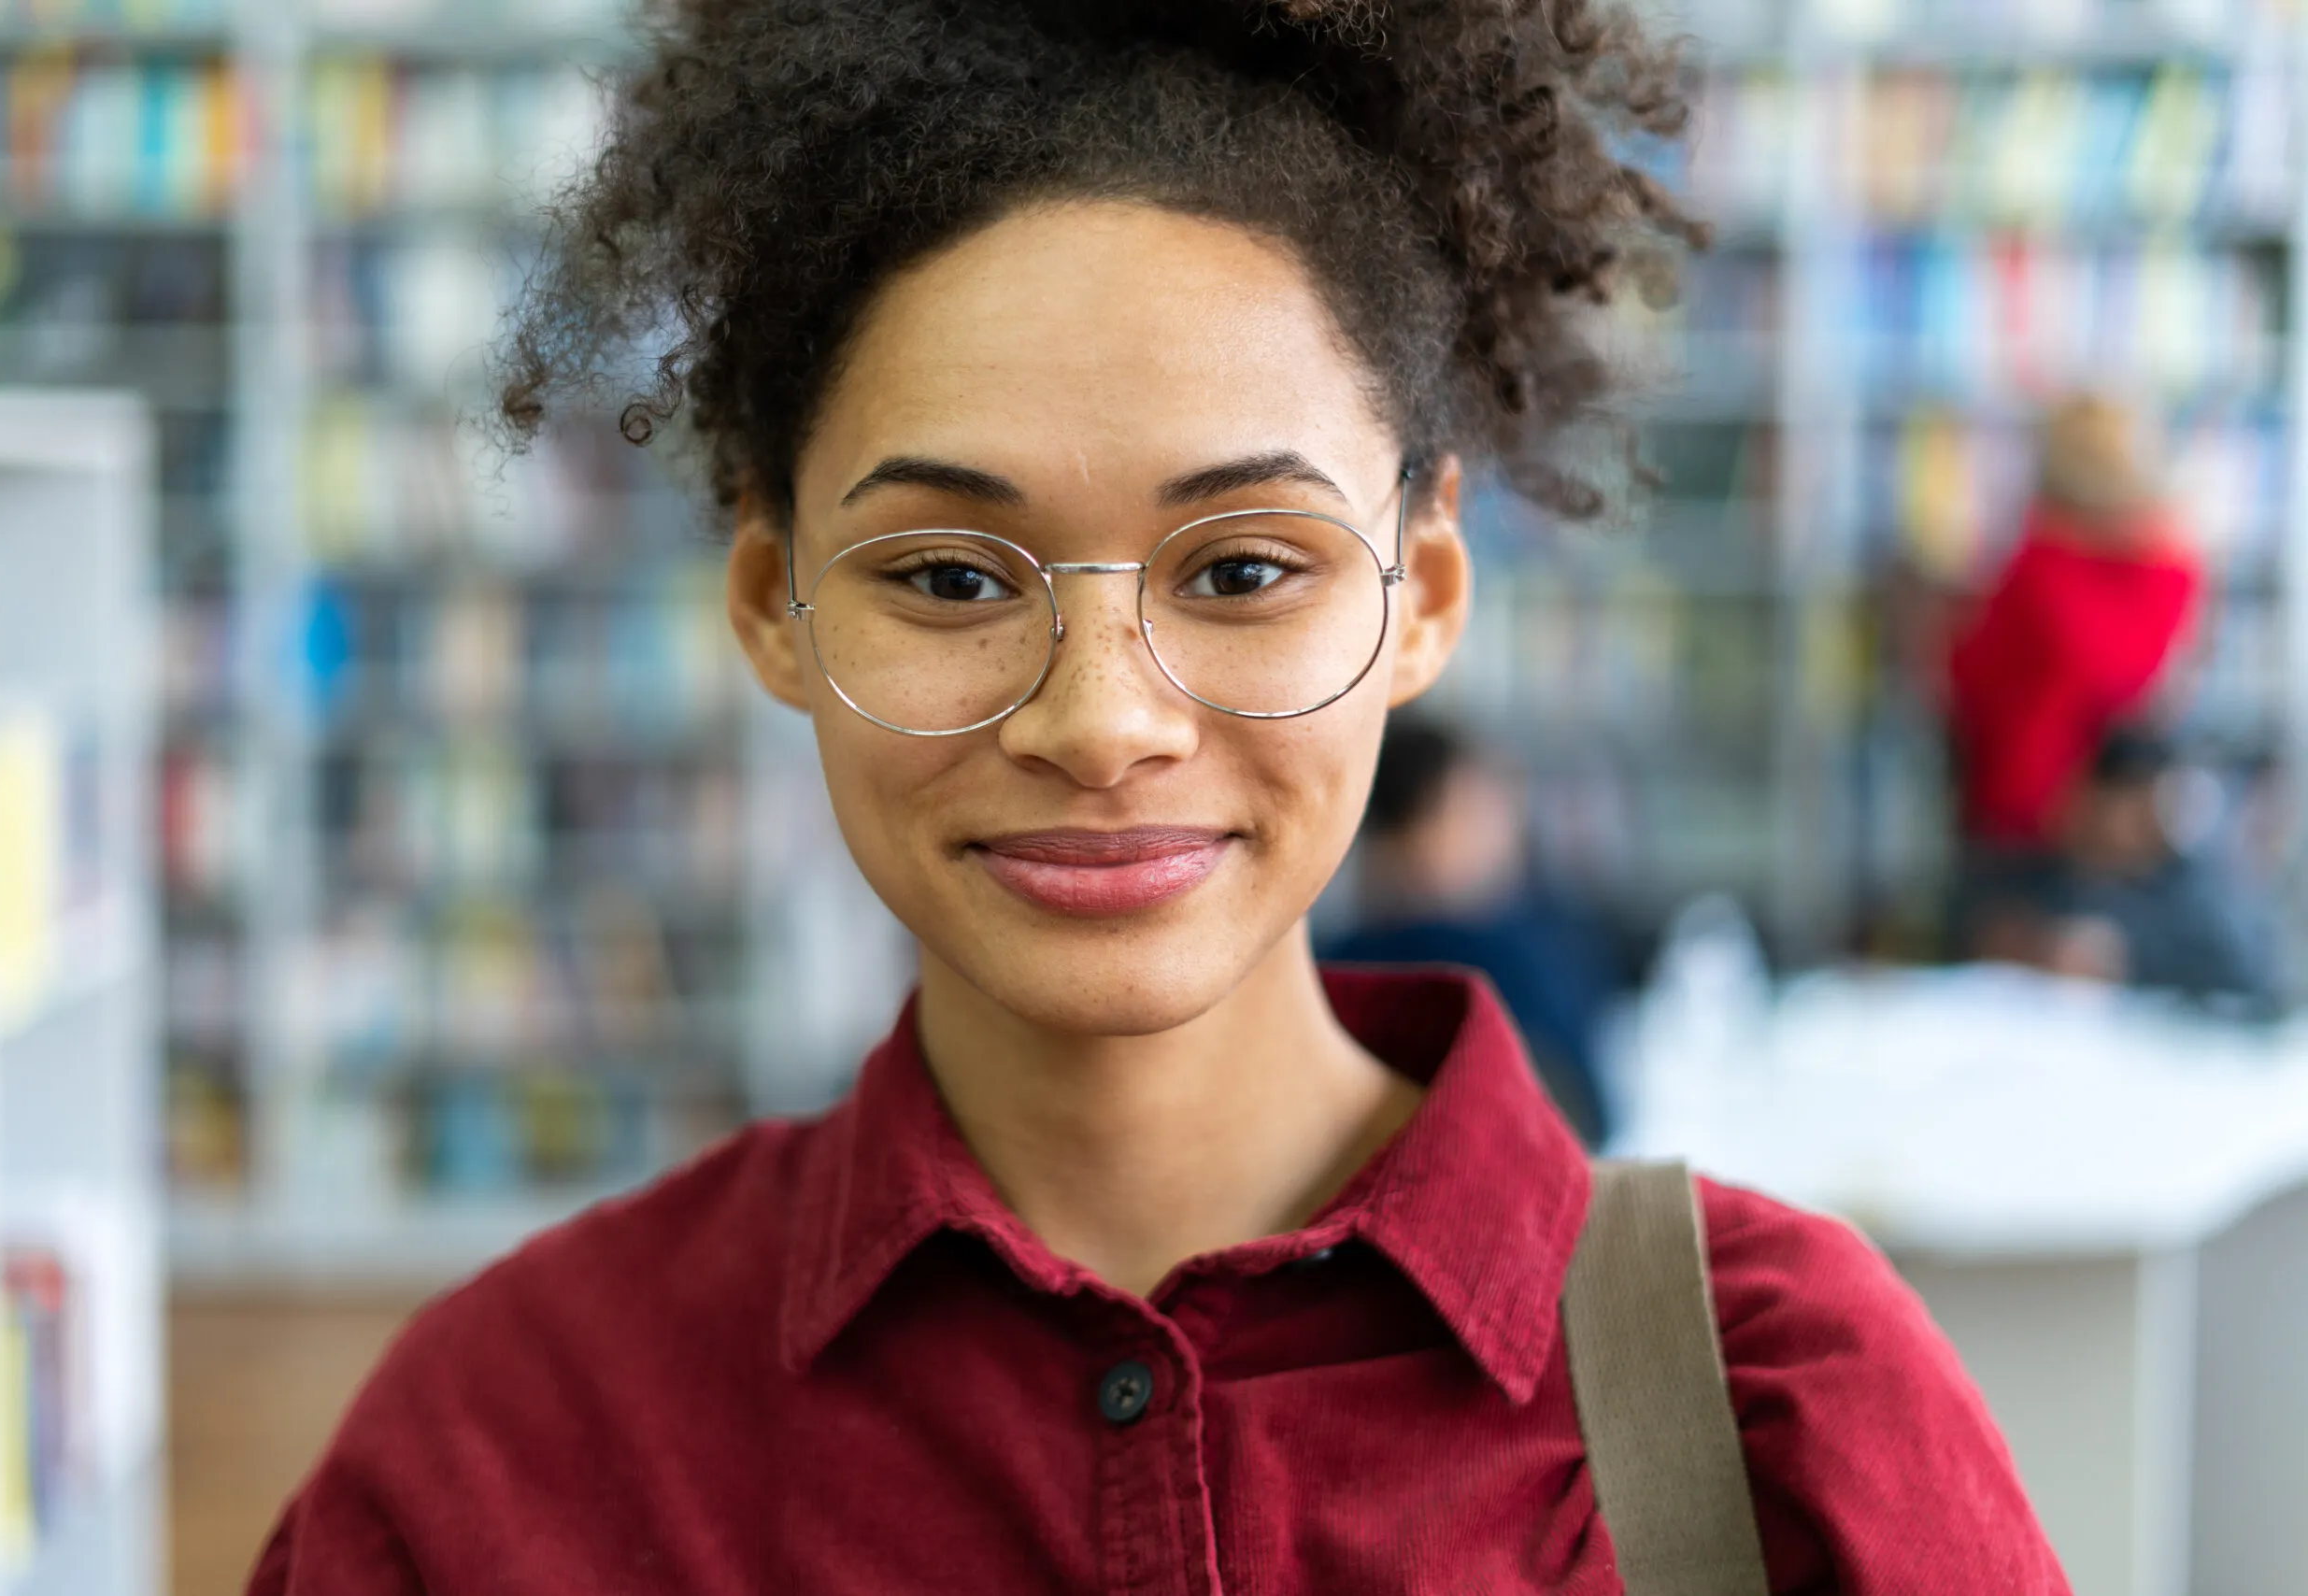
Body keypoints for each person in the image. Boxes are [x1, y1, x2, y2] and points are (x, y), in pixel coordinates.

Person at [250, 3, 2067, 1589]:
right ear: (768, 603)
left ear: (1419, 593)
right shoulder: (499, 1453)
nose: (1100, 721)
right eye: (953, 579)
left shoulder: (1777, 1409)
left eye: (1242, 569)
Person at [1325, 718, 1619, 1146]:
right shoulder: (1503, 961)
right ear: (1411, 832)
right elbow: (1588, 1118)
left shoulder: (1323, 962)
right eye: (1480, 813)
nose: (1507, 837)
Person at [1946, 394, 2204, 850]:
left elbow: (1972, 672)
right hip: (2046, 818)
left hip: (2069, 810)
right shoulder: (2161, 567)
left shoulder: (2047, 566)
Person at [1963, 727, 2277, 1013]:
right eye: (2129, 805)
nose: (2141, 825)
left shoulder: (2184, 883)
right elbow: (1979, 924)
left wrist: (2127, 955)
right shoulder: (2037, 866)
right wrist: (2029, 948)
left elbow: (2247, 969)